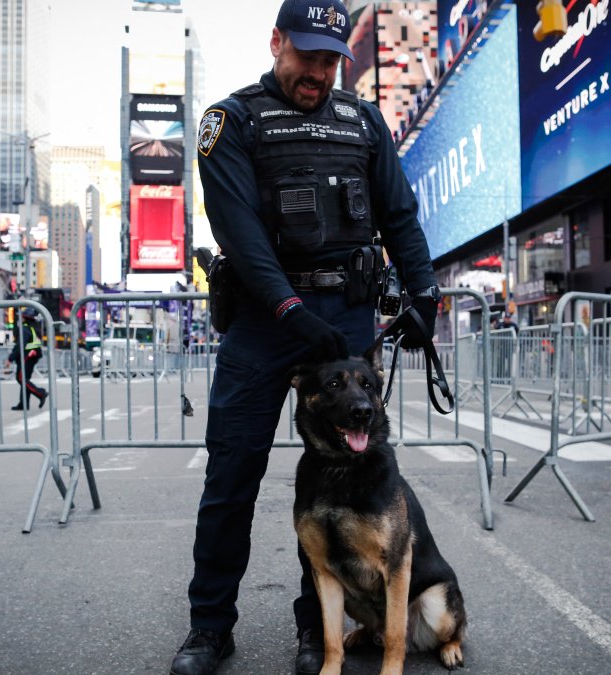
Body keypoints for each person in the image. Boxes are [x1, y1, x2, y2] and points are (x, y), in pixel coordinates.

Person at [170, 2, 439, 674]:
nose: (319, 72)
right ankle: (209, 628)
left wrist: (425, 296)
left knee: (346, 484)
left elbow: (400, 216)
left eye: (331, 59)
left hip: (345, 318)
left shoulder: (363, 121)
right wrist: (292, 312)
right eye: (308, 56)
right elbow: (240, 236)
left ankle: (314, 631)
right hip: (267, 320)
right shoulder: (230, 122)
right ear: (277, 42)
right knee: (232, 475)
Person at [7, 306, 47, 411]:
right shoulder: (34, 327)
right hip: (33, 355)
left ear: (25, 318)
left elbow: (20, 345)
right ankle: (23, 404)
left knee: (21, 378)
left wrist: (10, 358)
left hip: (28, 355)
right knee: (25, 379)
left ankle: (40, 393)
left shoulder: (25, 329)